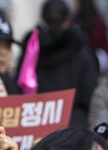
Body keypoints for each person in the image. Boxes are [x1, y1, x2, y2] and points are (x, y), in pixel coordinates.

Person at [16, 0, 99, 128]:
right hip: (73, 126)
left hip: (35, 122)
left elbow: (18, 86)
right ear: (68, 20)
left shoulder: (31, 50)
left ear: (42, 19)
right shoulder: (80, 50)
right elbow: (90, 93)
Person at [72, 0, 108, 74]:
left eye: (76, 4)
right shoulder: (74, 21)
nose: (73, 7)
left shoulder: (98, 23)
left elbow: (96, 45)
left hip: (98, 61)